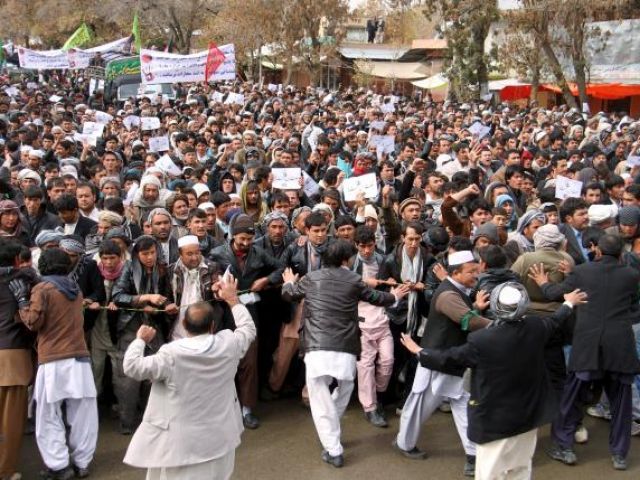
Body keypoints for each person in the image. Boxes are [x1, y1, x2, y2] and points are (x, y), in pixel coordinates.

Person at [400, 283, 587, 480]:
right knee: (522, 468)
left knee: (489, 472)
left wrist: (420, 351)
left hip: (494, 421)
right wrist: (568, 303)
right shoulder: (536, 327)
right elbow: (556, 320)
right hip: (529, 416)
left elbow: (449, 357)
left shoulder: (481, 340)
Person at [282, 239, 409, 468]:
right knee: (343, 389)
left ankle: (333, 447)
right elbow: (380, 299)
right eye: (351, 257)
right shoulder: (354, 280)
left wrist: (289, 282)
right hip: (344, 348)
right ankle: (332, 442)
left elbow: (289, 295)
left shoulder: (312, 278)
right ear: (344, 259)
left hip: (317, 348)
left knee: (321, 401)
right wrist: (396, 295)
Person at [122, 274, 256, 480]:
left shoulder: (171, 354)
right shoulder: (228, 343)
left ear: (183, 324)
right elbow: (248, 328)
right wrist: (232, 300)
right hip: (220, 437)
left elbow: (132, 367)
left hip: (181, 443)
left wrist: (140, 340)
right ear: (213, 326)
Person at [529, 234, 640, 470]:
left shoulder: (583, 272)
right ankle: (619, 454)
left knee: (571, 398)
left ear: (597, 251)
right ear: (622, 253)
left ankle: (563, 446)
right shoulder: (631, 275)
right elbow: (632, 305)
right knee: (621, 402)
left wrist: (542, 281)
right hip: (620, 346)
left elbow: (553, 294)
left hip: (587, 346)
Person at [394, 250, 491, 476]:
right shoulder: (448, 294)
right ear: (455, 273)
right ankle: (404, 443)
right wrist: (499, 326)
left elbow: (463, 317)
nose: (476, 276)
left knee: (462, 405)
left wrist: (475, 308)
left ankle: (473, 455)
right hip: (436, 361)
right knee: (419, 405)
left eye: (477, 271)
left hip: (451, 360)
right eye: (471, 272)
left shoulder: (457, 290)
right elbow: (466, 320)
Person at [16, 248, 99, 480]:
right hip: (79, 358)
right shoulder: (76, 288)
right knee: (83, 413)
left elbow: (33, 322)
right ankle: (83, 462)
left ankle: (59, 465)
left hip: (53, 360)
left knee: (47, 415)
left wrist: (22, 301)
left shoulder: (42, 289)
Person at [0, 239, 38, 480]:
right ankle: (5, 470)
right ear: (16, 260)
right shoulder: (23, 279)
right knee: (11, 420)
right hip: (12, 353)